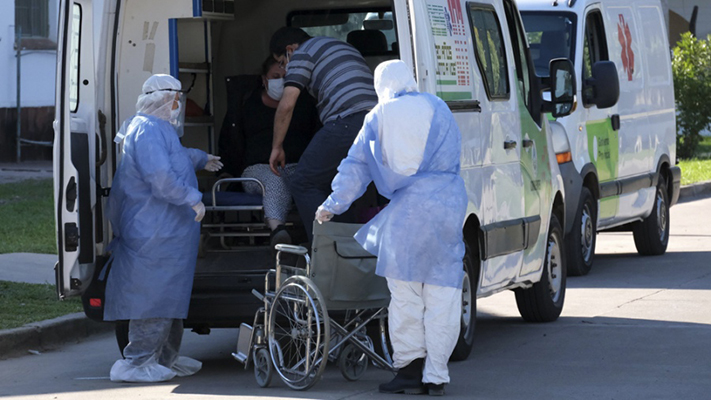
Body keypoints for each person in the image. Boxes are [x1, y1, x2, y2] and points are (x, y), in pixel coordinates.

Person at [315, 60, 467, 396]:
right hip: (448, 207)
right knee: (443, 293)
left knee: (406, 296)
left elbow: (356, 166)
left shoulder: (379, 116)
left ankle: (410, 372)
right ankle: (437, 374)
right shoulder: (439, 107)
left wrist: (333, 205)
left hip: (409, 215)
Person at [104, 74, 223, 383]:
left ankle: (164, 357)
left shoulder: (158, 129)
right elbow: (161, 178)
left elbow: (176, 157)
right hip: (151, 232)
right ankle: (138, 361)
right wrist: (193, 198)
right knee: (152, 299)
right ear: (162, 98)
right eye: (176, 99)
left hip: (166, 234)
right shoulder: (145, 130)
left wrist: (200, 158)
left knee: (168, 297)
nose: (178, 105)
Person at [268, 27, 378, 242]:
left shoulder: (302, 53)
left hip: (348, 122)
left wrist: (276, 146)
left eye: (282, 62)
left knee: (303, 182)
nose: (285, 68)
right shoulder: (342, 46)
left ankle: (324, 252)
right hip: (378, 123)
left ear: (290, 50)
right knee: (341, 185)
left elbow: (287, 104)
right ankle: (347, 249)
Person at [218, 56, 320, 246]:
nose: (281, 81)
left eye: (286, 76)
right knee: (275, 179)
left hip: (297, 166)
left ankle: (320, 237)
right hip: (257, 171)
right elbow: (230, 140)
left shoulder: (305, 104)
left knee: (309, 179)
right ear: (265, 80)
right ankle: (278, 230)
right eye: (276, 76)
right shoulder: (247, 105)